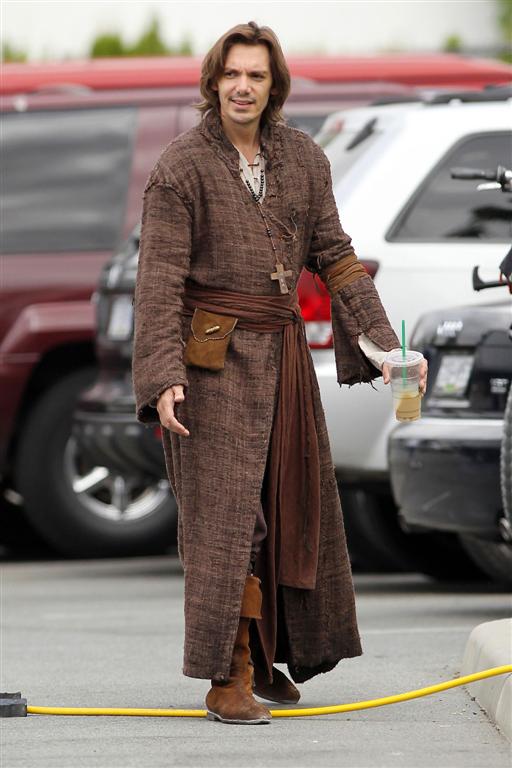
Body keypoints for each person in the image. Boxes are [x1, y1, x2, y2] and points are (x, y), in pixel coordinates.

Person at [132, 21, 427, 726]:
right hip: (208, 366)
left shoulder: (303, 157)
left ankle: (267, 658)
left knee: (289, 510)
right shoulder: (181, 166)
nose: (242, 87)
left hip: (285, 361)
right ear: (214, 81)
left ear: (274, 86)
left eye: (256, 76)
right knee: (232, 519)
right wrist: (163, 375)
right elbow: (159, 281)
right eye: (232, 74)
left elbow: (337, 257)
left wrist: (385, 347)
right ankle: (227, 672)